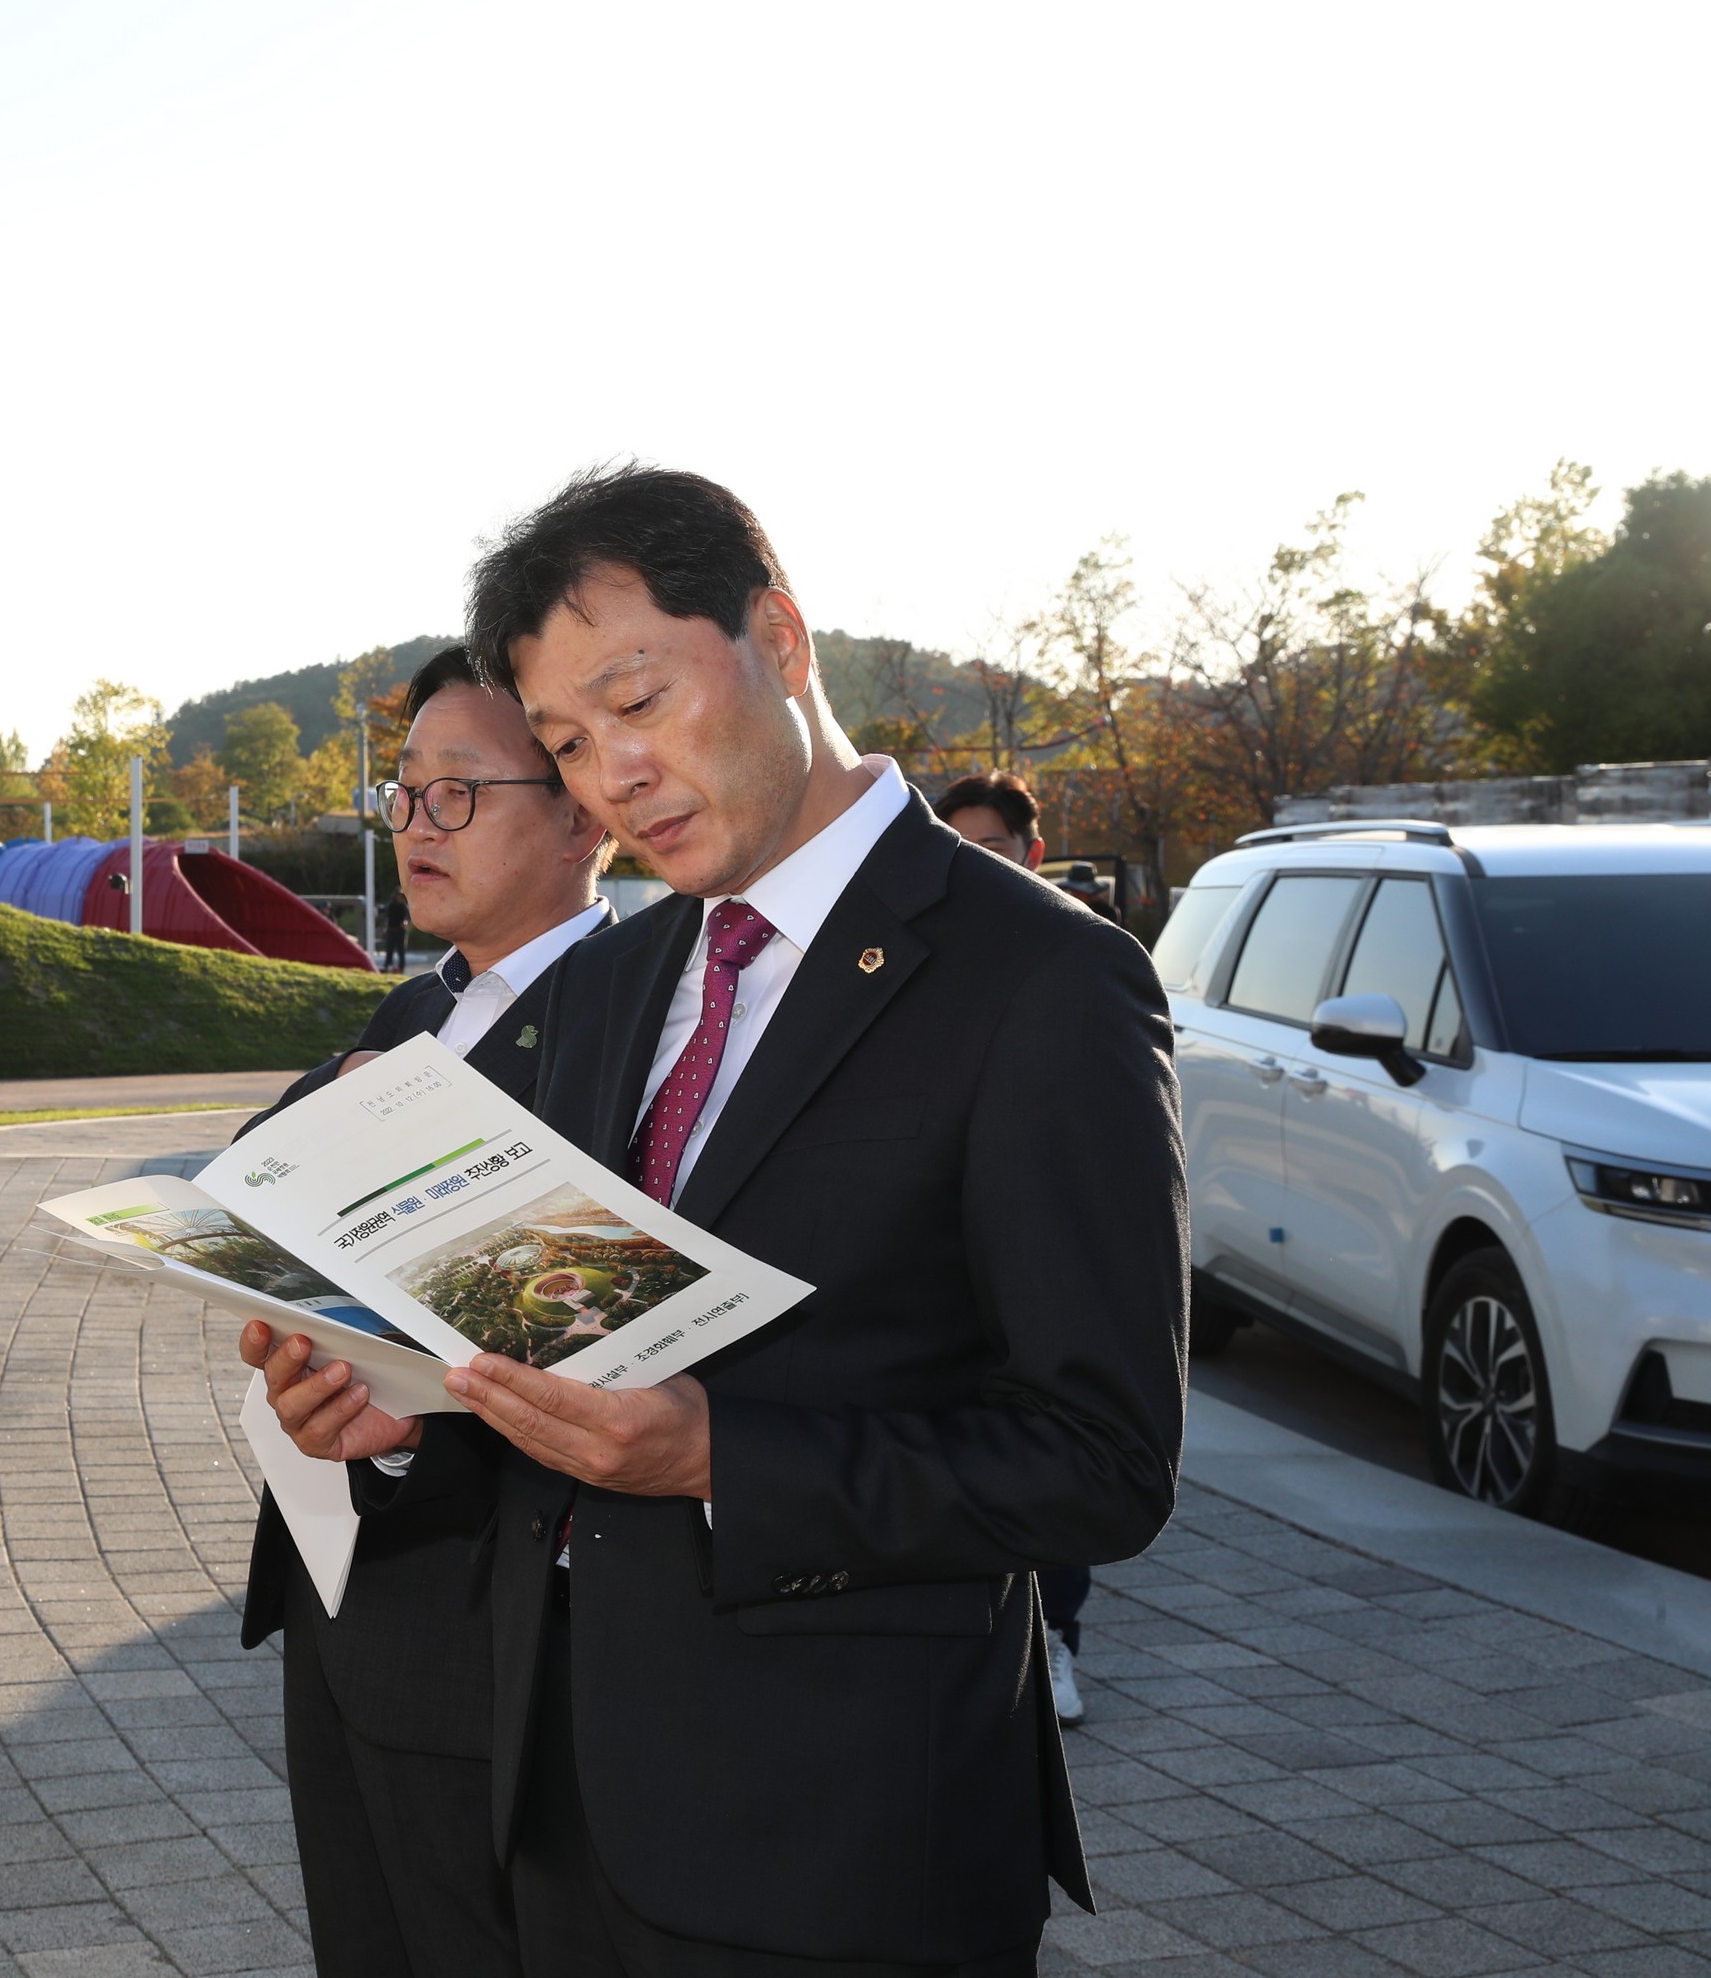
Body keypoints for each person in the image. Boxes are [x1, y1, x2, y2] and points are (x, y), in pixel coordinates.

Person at [260, 468, 1185, 1976]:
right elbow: (563, 1348)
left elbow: (1103, 1461)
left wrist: (720, 1459)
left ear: (780, 636)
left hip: (847, 1842)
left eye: (639, 702)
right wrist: (412, 1420)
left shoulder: (1039, 978)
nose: (613, 774)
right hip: (550, 1809)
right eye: (565, 743)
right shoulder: (612, 987)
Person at [235, 644, 612, 1978]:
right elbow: (255, 1200)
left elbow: (590, 1341)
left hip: (487, 1632)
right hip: (341, 1602)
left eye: (458, 793)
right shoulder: (407, 1016)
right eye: (402, 794)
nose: (414, 827)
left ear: (582, 810)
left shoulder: (631, 1036)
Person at [933, 770, 1101, 1727]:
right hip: (955, 1272)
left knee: (1048, 1438)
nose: (973, 870)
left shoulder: (1072, 961)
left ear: (1031, 853)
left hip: (1034, 1264)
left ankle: (1061, 1641)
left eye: (990, 851)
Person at [380, 888, 412, 971]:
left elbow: (408, 918)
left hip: (400, 930)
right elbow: (387, 918)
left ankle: (401, 967)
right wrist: (384, 930)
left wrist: (405, 923)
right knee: (389, 949)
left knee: (401, 950)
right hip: (391, 929)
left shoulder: (404, 906)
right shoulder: (391, 906)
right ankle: (387, 966)